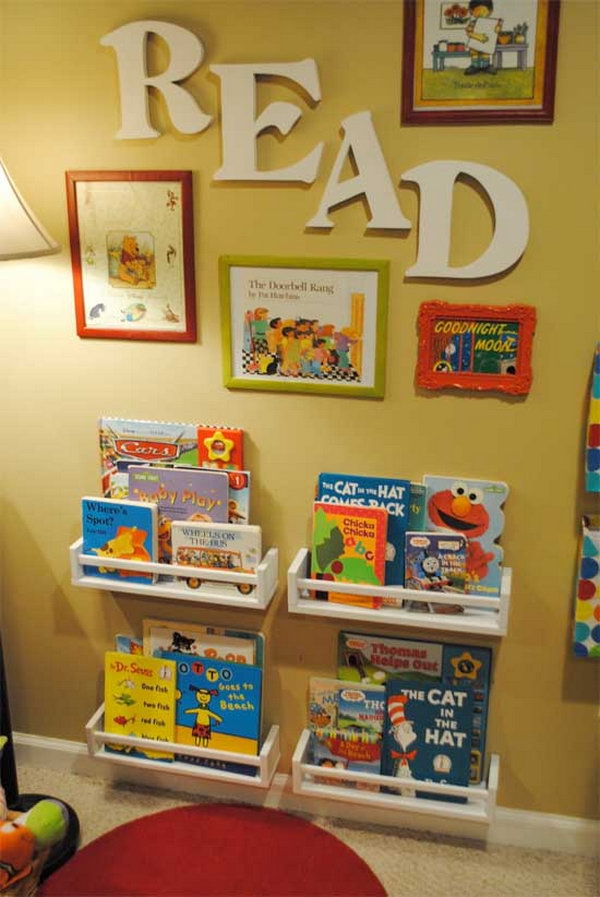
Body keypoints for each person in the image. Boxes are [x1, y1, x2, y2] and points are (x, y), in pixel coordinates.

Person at [464, 0, 503, 75]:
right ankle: (475, 66)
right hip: (474, 43)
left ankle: (485, 66)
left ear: (490, 12)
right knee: (474, 53)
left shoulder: (491, 23)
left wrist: (499, 25)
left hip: (486, 44)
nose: (481, 14)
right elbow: (469, 32)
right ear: (471, 11)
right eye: (478, 11)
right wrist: (478, 36)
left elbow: (496, 31)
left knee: (485, 53)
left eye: (484, 11)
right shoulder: (473, 23)